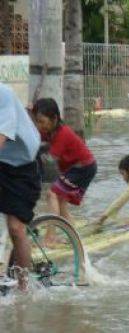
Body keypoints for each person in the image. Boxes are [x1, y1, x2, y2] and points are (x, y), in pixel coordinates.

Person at [33, 98, 97, 245]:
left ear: (54, 118)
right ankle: (73, 234)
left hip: (84, 167)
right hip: (76, 168)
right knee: (60, 202)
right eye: (37, 121)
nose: (39, 125)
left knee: (52, 194)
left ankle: (50, 237)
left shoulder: (63, 133)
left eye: (42, 121)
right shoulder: (48, 131)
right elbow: (33, 137)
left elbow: (48, 158)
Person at [0, 83, 41, 291]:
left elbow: (1, 137)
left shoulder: (3, 95)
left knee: (15, 228)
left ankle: (24, 290)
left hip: (22, 167)